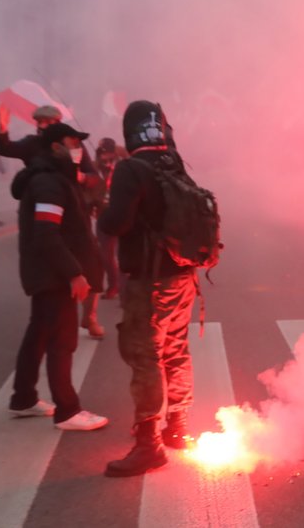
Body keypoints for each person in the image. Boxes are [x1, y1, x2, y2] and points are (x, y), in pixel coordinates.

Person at [100, 101, 198, 477]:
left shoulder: (130, 169)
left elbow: (115, 223)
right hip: (183, 278)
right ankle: (178, 427)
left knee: (145, 357)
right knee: (176, 350)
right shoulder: (174, 163)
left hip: (149, 281)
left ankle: (148, 445)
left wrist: (110, 205)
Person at [8, 122, 108, 431]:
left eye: (80, 142)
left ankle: (23, 398)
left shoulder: (58, 178)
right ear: (55, 147)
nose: (78, 148)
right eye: (72, 142)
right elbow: (47, 235)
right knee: (62, 341)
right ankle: (68, 411)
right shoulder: (49, 183)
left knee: (38, 334)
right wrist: (75, 273)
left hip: (48, 273)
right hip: (54, 277)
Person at [0, 104, 96, 175]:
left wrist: (82, 178)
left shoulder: (73, 143)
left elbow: (92, 175)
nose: (43, 125)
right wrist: (2, 129)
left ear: (58, 123)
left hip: (71, 200)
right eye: (40, 122)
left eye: (48, 121)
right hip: (39, 197)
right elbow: (5, 149)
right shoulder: (32, 143)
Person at [92, 138, 126, 300]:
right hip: (103, 215)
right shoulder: (94, 168)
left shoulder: (125, 165)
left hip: (123, 212)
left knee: (124, 252)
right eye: (102, 155)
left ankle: (125, 286)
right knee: (105, 254)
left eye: (109, 156)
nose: (106, 159)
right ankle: (113, 285)